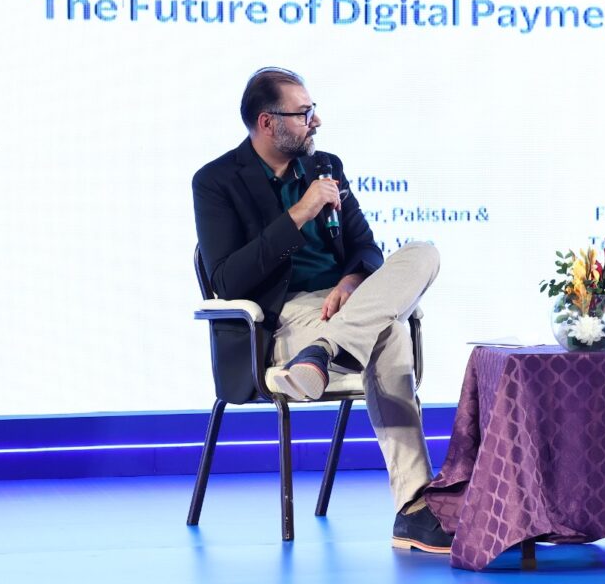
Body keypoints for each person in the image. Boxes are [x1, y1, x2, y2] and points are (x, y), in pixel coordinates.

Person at [192, 66, 452, 553]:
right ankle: (414, 509)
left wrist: (353, 282)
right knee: (391, 333)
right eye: (303, 113)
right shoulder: (216, 181)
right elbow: (226, 280)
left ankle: (326, 350)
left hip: (343, 311)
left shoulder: (325, 166)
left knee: (425, 253)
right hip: (284, 320)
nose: (315, 121)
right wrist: (300, 213)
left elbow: (366, 249)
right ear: (267, 122)